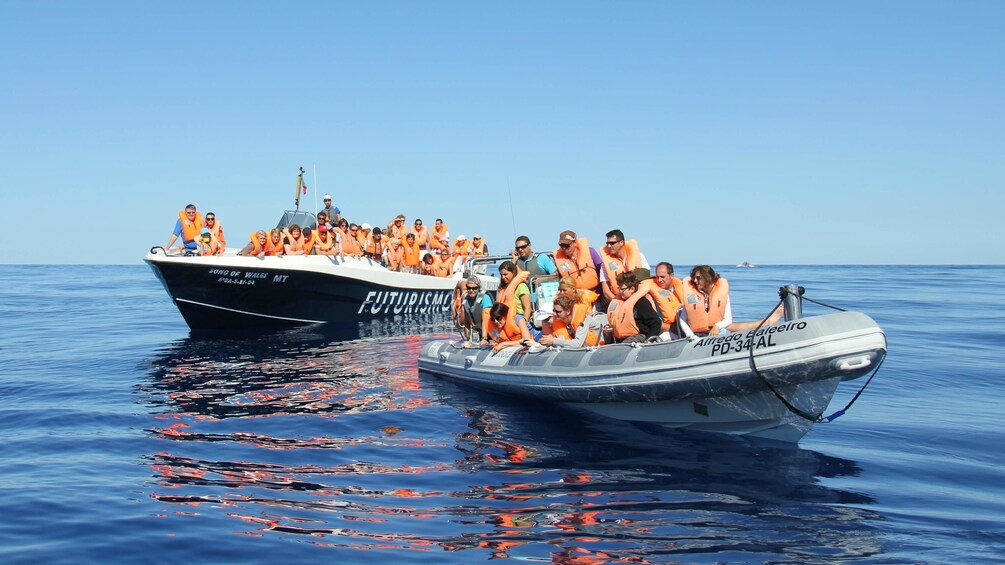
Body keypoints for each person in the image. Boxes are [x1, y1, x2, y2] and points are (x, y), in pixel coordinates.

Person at [680, 265, 783, 337]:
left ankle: (766, 323)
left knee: (730, 327)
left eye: (698, 278)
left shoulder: (722, 293)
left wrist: (717, 326)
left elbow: (728, 318)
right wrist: (691, 336)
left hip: (718, 330)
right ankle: (766, 322)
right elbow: (683, 318)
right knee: (732, 327)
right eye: (694, 278)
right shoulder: (692, 295)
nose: (695, 281)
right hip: (698, 334)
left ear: (708, 278)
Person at [606, 270, 661, 344]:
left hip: (639, 337)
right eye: (619, 288)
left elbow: (656, 323)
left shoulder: (641, 303)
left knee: (625, 344)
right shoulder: (619, 303)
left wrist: (649, 340)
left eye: (622, 289)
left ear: (632, 289)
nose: (620, 291)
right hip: (622, 338)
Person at [599, 229, 650, 304]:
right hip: (619, 300)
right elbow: (606, 291)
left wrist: (634, 300)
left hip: (639, 298)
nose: (608, 246)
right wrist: (619, 303)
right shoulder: (605, 265)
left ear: (621, 242)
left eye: (612, 243)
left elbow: (646, 282)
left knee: (649, 298)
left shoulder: (639, 257)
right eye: (607, 243)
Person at [539, 295, 607, 348]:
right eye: (554, 311)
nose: (554, 314)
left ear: (568, 311)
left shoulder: (582, 320)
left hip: (598, 347)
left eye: (558, 312)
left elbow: (577, 344)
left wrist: (554, 341)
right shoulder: (561, 321)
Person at [459, 275, 493, 345]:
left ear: (478, 288)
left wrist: (484, 338)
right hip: (481, 333)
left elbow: (485, 320)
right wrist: (468, 339)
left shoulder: (485, 298)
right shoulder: (466, 301)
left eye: (474, 288)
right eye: (469, 288)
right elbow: (466, 323)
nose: (471, 290)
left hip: (493, 333)